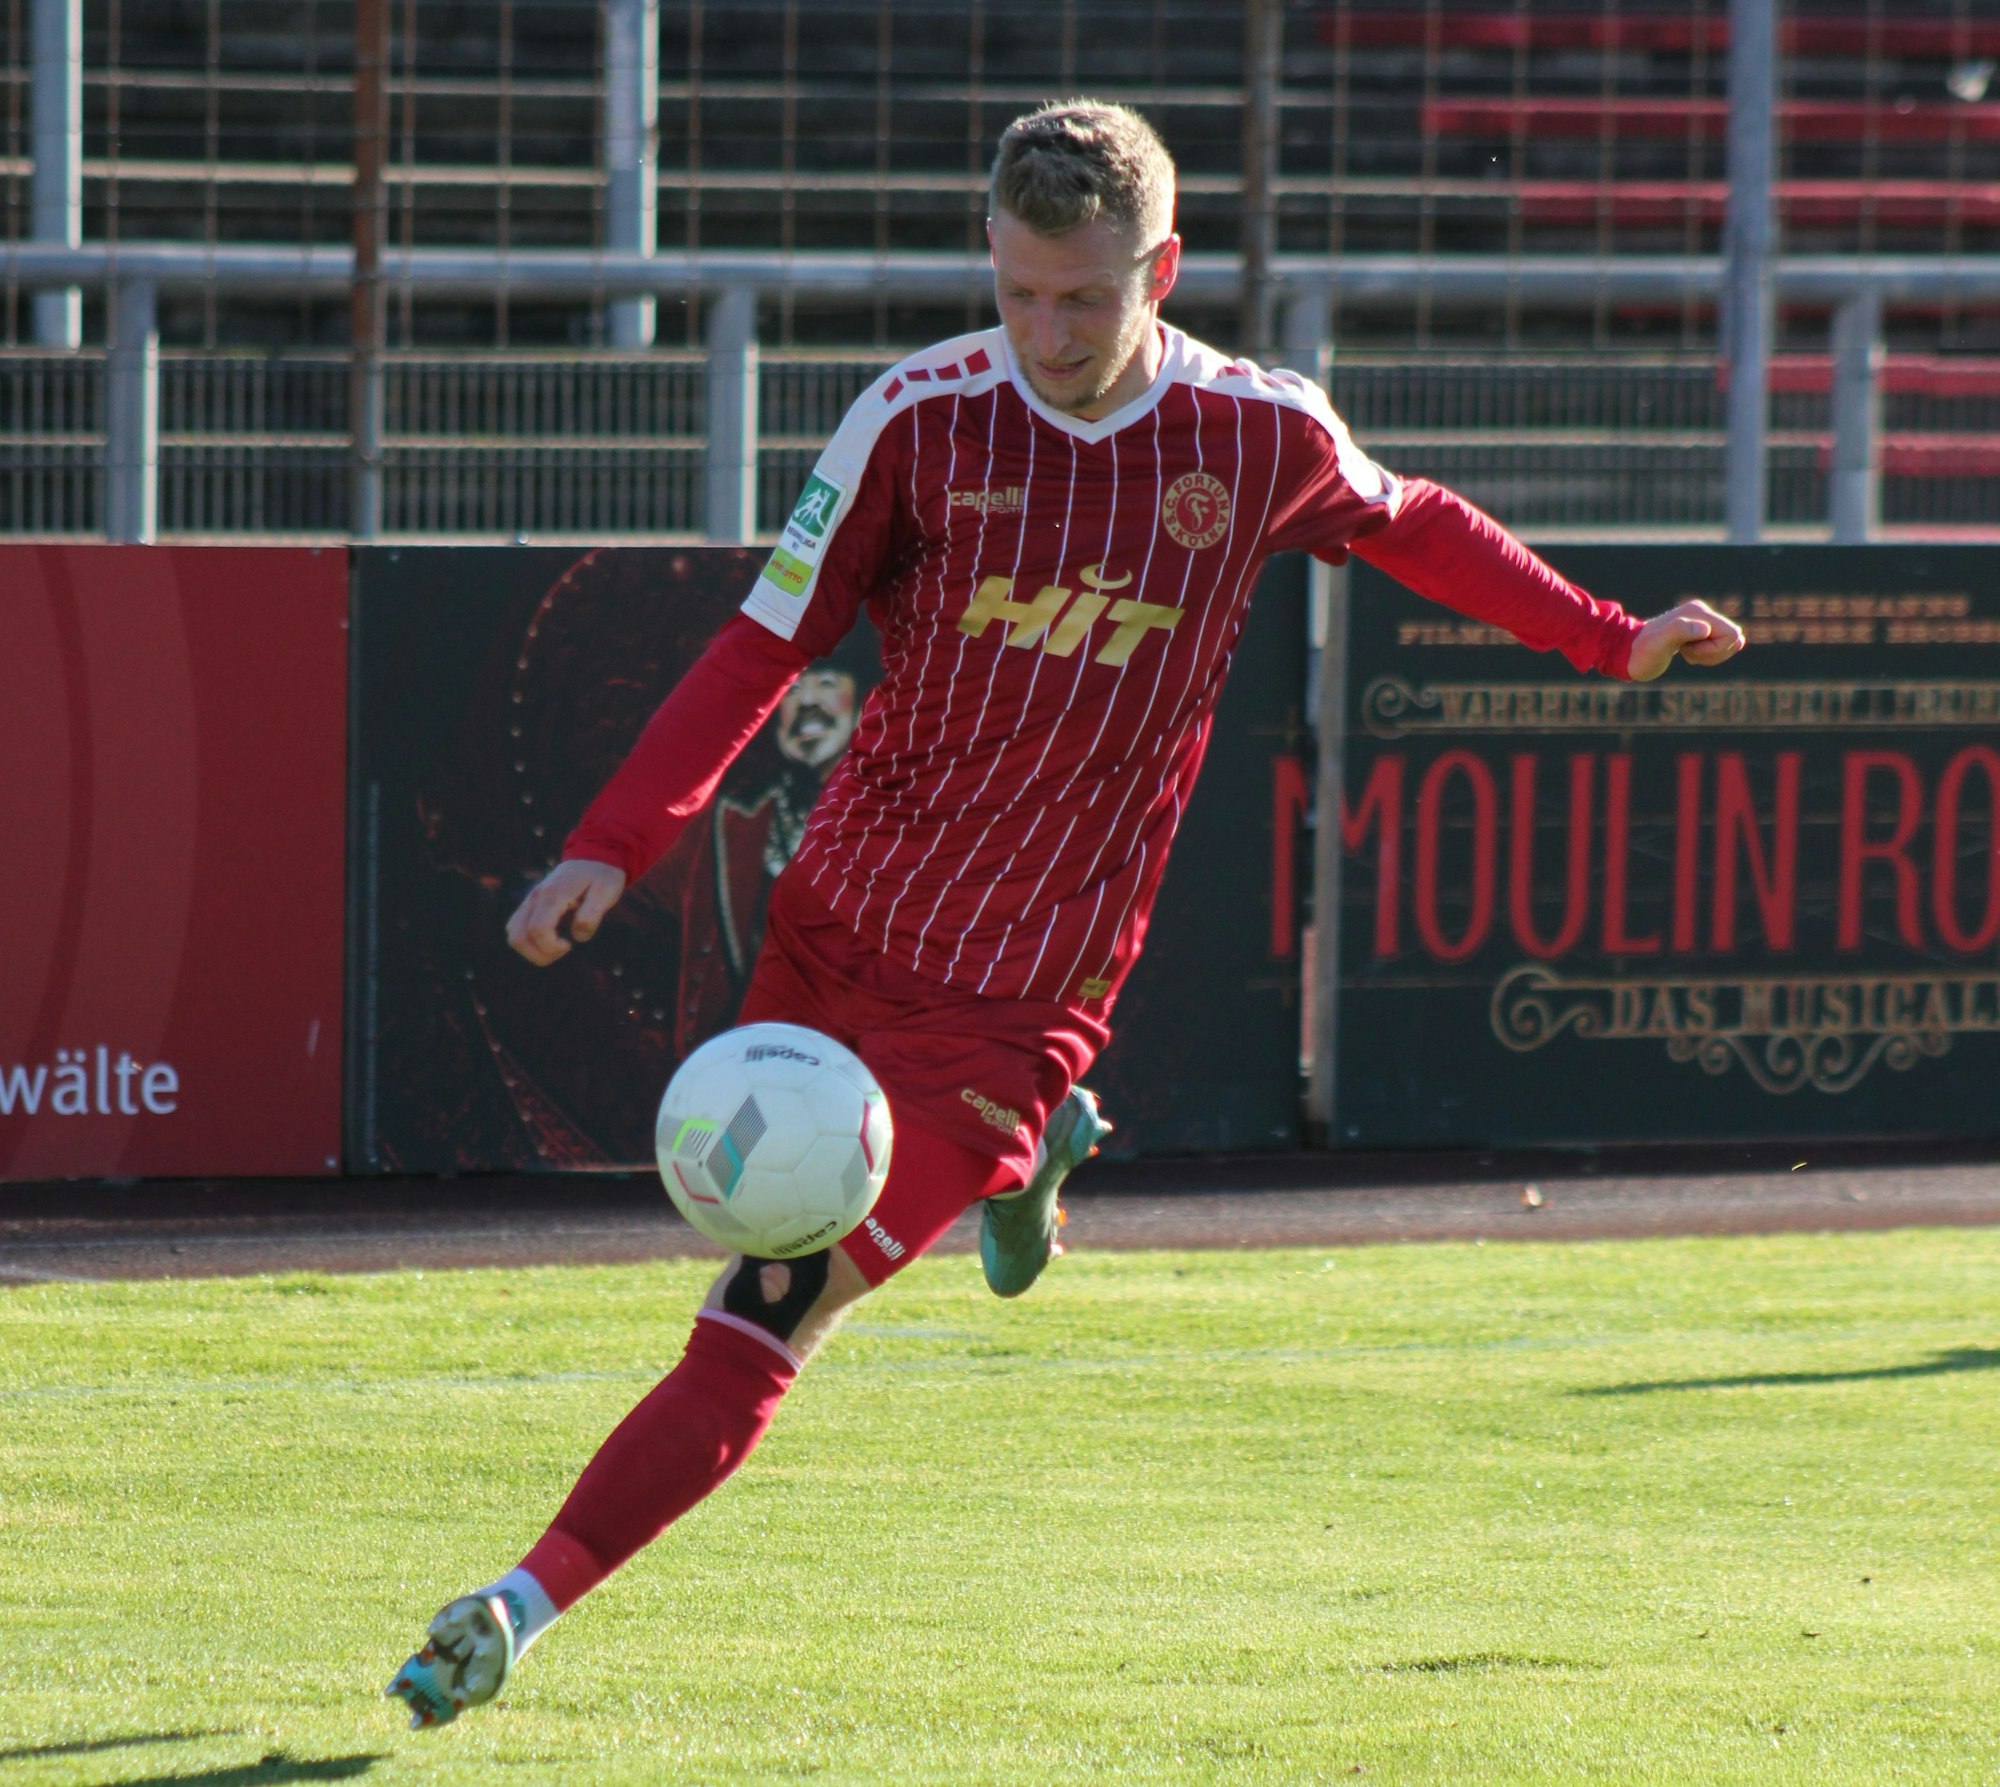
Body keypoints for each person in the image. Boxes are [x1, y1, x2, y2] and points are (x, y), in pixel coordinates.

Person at [387, 99, 1745, 1728]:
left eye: (1087, 298)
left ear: (1159, 270)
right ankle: (1035, 1169)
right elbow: (764, 641)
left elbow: (1414, 525)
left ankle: (520, 1603)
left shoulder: (1257, 434)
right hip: (838, 922)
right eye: (1023, 291)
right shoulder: (914, 418)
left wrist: (1608, 638)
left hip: (1019, 991)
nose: (1047, 332)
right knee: (751, 1236)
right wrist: (617, 842)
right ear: (992, 259)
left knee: (775, 1301)